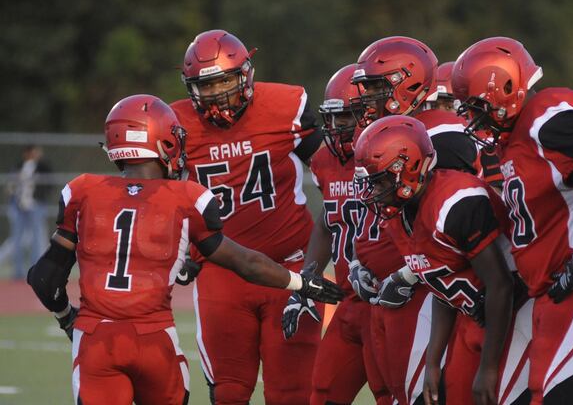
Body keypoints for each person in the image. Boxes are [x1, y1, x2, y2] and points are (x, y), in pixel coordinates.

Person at [25, 94, 344, 405]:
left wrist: (67, 318)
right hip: (155, 342)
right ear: (163, 142)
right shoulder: (185, 197)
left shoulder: (82, 192)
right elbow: (245, 261)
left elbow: (43, 277)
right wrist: (301, 282)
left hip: (97, 339)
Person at [452, 37, 573, 404]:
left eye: (475, 105)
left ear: (505, 88)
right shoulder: (510, 140)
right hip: (554, 285)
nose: (469, 116)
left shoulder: (548, 119)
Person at [170, 30, 324, 405]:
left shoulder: (286, 104)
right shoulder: (176, 124)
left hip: (290, 267)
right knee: (228, 390)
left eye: (225, 80)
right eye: (206, 86)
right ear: (191, 88)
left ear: (246, 74)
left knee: (292, 392)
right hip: (223, 271)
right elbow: (163, 199)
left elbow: (331, 176)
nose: (218, 94)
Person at [349, 36, 481, 404]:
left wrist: (408, 273)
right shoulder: (391, 134)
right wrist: (362, 260)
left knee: (422, 393)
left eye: (375, 87)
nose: (366, 98)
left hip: (427, 291)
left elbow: (451, 223)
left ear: (403, 82)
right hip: (392, 289)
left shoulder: (445, 135)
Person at [355, 115, 514, 405]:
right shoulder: (401, 215)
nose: (373, 193)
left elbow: (501, 285)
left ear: (407, 168)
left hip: (512, 318)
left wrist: (489, 368)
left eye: (378, 182)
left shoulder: (455, 203)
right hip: (473, 318)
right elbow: (442, 282)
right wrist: (432, 361)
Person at [283, 64, 391, 404]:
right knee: (324, 392)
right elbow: (330, 220)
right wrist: (305, 283)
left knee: (392, 394)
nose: (335, 128)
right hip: (347, 302)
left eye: (345, 117)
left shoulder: (390, 155)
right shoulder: (324, 161)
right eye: (332, 118)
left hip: (388, 300)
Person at [6, 145, 50, 279]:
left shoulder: (43, 167)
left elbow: (49, 184)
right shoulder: (19, 166)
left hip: (36, 205)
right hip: (19, 206)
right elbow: (11, 186)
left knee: (37, 238)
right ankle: (18, 271)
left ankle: (35, 270)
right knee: (17, 238)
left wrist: (39, 197)